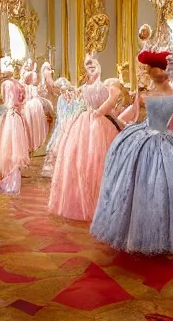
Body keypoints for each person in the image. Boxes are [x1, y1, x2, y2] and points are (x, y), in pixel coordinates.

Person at [90, 50, 173, 255]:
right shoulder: (160, 95)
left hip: (156, 139)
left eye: (149, 70)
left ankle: (156, 233)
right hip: (153, 139)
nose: (148, 73)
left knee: (157, 187)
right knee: (154, 187)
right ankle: (151, 233)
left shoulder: (165, 96)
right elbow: (136, 115)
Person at [49, 54, 120, 221]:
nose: (91, 68)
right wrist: (66, 92)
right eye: (88, 66)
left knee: (97, 160)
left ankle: (100, 200)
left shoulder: (108, 86)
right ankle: (84, 199)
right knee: (84, 159)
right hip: (88, 122)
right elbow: (71, 97)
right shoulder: (84, 88)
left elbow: (109, 104)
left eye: (93, 65)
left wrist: (99, 111)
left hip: (99, 122)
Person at [0, 57, 30, 189]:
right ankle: (13, 176)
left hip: (10, 115)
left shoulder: (6, 84)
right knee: (14, 146)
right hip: (16, 115)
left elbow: (6, 100)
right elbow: (21, 100)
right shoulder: (17, 84)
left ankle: (10, 177)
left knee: (7, 145)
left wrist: (11, 108)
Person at [41, 78, 86, 178]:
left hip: (72, 123)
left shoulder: (75, 97)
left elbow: (76, 110)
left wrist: (71, 120)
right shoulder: (61, 99)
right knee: (57, 144)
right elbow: (61, 113)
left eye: (67, 90)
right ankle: (57, 169)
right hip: (63, 123)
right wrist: (63, 123)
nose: (66, 92)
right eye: (62, 90)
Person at [22, 63, 48, 152]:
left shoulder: (33, 87)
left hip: (34, 106)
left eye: (36, 79)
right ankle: (33, 142)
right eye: (34, 79)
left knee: (36, 123)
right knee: (32, 123)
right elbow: (28, 97)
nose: (36, 80)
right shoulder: (29, 87)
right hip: (33, 106)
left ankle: (36, 142)